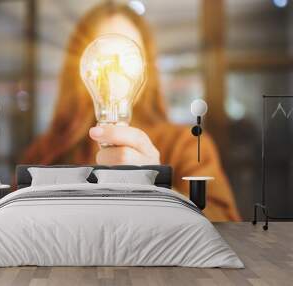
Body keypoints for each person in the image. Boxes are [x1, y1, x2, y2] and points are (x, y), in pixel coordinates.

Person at [22, 3, 241, 221]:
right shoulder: (45, 151)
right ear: (83, 69)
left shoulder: (185, 145)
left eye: (125, 60)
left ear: (143, 71)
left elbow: (226, 225)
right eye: (104, 61)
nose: (113, 74)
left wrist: (158, 189)